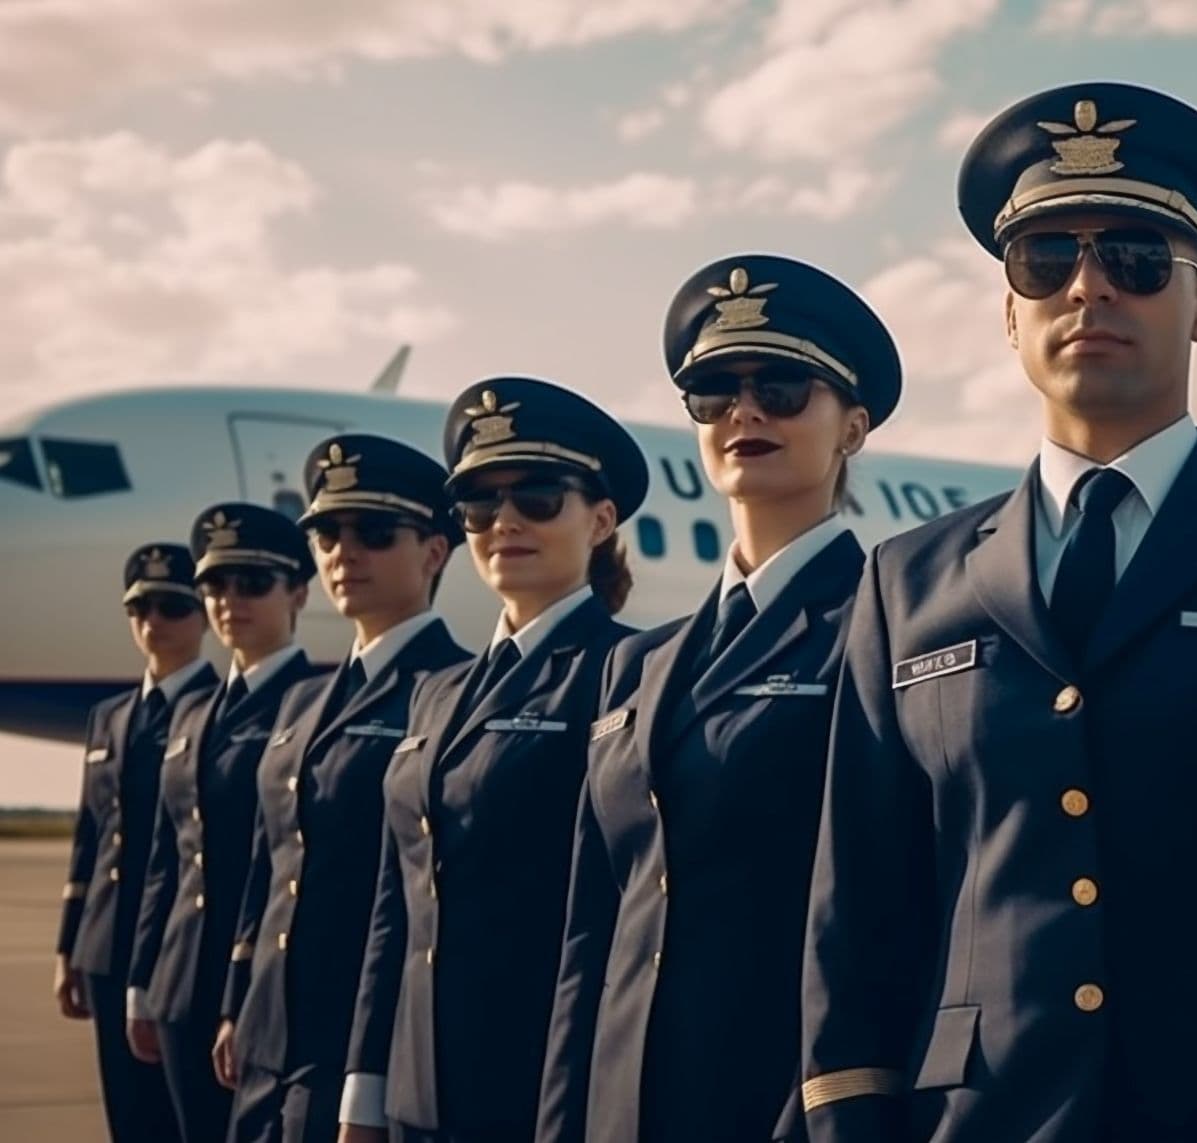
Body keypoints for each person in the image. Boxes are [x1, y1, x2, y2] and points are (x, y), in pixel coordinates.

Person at [796, 81, 1197, 1142]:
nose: (1087, 288)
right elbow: (860, 909)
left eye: (1132, 258)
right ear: (1009, 309)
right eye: (1045, 262)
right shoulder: (905, 582)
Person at [538, 255, 900, 1143]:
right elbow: (593, 936)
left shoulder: (888, 626)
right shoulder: (641, 666)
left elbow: (894, 920)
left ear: (852, 426)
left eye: (780, 387)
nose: (744, 412)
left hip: (783, 1108)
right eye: (714, 392)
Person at [341, 377, 649, 1143]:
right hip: (420, 1095)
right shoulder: (438, 694)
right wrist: (365, 1091)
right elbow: (397, 910)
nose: (504, 521)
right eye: (479, 505)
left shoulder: (630, 674)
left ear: (601, 519)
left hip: (545, 1091)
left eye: (539, 496)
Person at [217, 436, 470, 1143]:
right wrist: (242, 999)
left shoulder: (451, 691)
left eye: (375, 533)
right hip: (270, 1038)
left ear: (433, 552)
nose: (342, 551)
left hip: (361, 1046)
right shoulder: (302, 702)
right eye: (327, 532)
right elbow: (273, 860)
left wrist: (372, 1073)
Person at [129, 505, 320, 1143]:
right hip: (181, 982)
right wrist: (142, 979)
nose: (229, 601)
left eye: (253, 583)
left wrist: (243, 993)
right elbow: (168, 858)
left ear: (297, 592)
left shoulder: (313, 704)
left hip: (261, 986)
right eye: (214, 586)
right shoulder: (192, 713)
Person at [57, 543, 216, 1142]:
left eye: (172, 607)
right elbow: (90, 834)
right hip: (105, 945)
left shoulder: (217, 712)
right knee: (127, 1116)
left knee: (180, 1118)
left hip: (179, 947)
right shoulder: (110, 716)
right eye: (141, 607)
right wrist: (70, 944)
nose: (153, 622)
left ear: (202, 615)